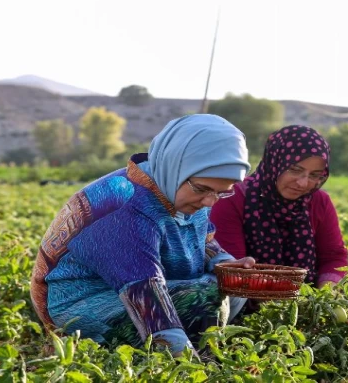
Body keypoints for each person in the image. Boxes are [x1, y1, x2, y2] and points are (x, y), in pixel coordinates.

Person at [30, 114, 253, 355]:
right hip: (84, 305)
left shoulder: (185, 189)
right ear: (174, 165)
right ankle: (178, 355)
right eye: (203, 189)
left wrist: (226, 264)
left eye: (222, 193)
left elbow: (204, 241)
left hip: (153, 287)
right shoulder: (121, 202)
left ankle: (190, 343)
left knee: (230, 286)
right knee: (207, 296)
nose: (210, 201)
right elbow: (146, 299)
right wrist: (191, 370)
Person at [210, 125, 348, 287]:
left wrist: (324, 293)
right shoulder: (234, 198)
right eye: (294, 170)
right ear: (274, 162)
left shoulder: (319, 201)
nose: (303, 183)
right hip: (245, 299)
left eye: (314, 175)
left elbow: (333, 257)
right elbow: (233, 268)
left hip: (304, 298)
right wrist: (283, 305)